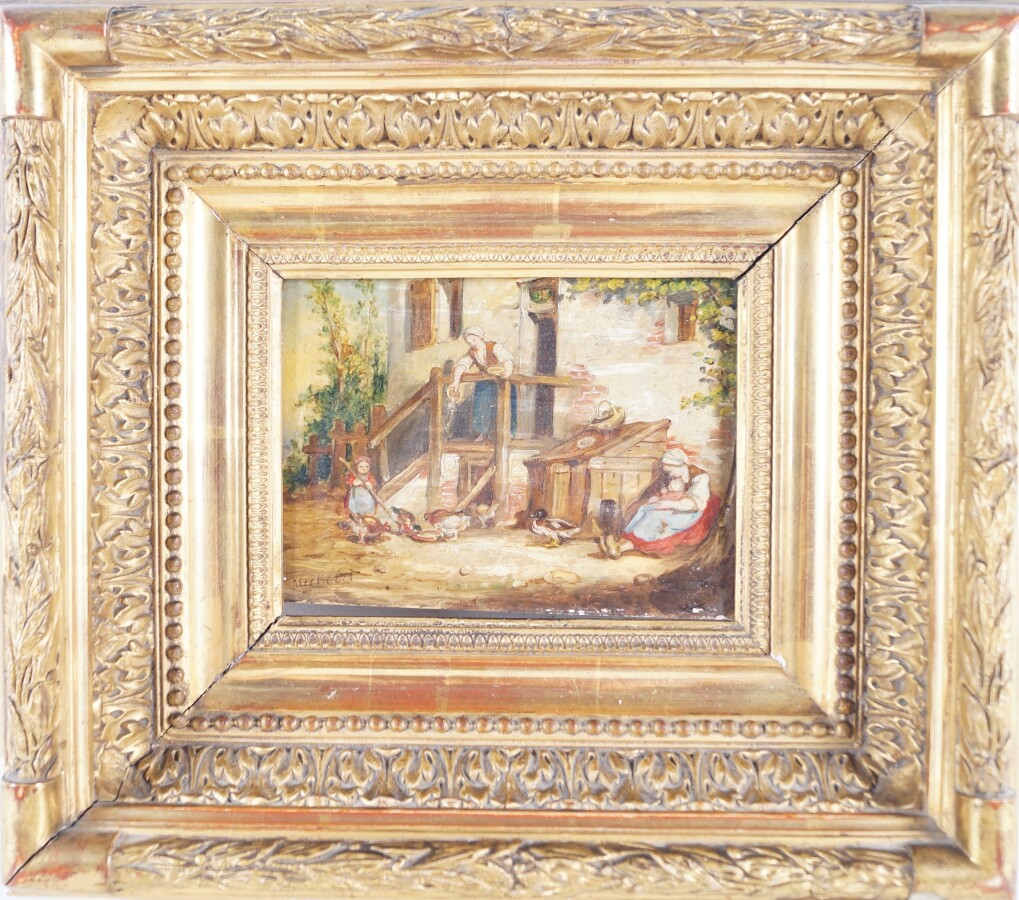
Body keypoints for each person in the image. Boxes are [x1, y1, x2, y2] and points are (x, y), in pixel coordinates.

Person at [601, 448, 719, 558]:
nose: (669, 475)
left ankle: (622, 548)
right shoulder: (672, 477)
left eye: (670, 471)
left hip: (691, 512)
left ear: (679, 466)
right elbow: (661, 492)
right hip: (674, 506)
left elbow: (695, 504)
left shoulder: (700, 477)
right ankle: (620, 544)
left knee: (656, 516)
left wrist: (670, 505)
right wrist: (655, 500)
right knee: (644, 509)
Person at [447, 326, 517, 439]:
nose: (472, 343)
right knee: (481, 400)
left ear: (481, 337)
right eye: (469, 342)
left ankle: (509, 432)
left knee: (507, 403)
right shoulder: (472, 353)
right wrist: (456, 381)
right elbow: (461, 365)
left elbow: (507, 359)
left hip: (502, 381)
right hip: (486, 383)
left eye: (474, 340)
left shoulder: (493, 347)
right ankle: (482, 432)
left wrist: (508, 371)